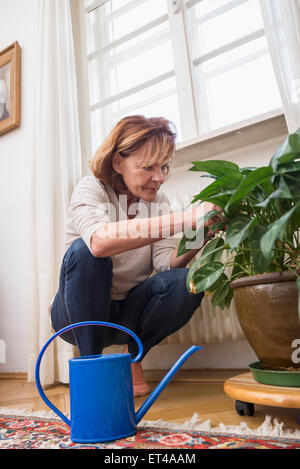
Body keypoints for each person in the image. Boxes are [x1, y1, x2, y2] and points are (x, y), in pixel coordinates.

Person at [50, 115, 221, 397]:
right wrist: (185, 218)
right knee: (86, 250)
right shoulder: (90, 188)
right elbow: (98, 243)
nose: (160, 177)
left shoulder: (159, 201)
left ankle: (131, 359)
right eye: (148, 167)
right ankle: (91, 368)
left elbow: (165, 263)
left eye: (164, 167)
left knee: (184, 282)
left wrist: (200, 232)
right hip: (76, 313)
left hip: (128, 314)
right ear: (118, 162)